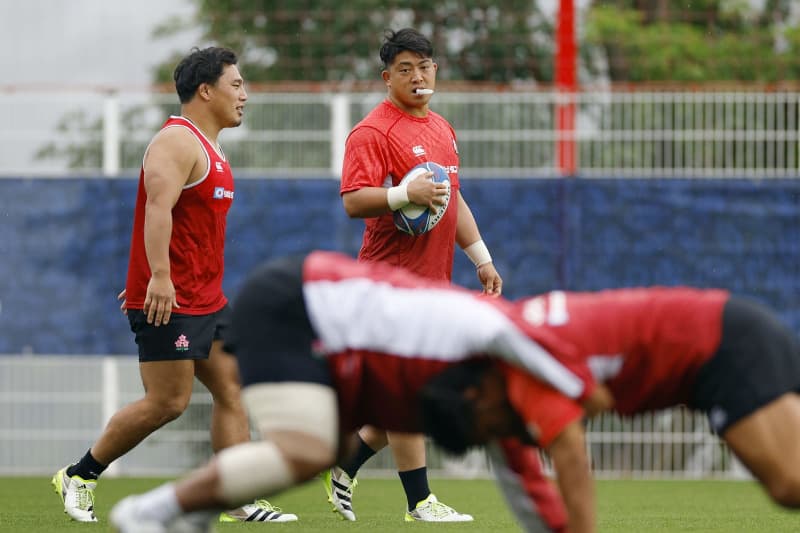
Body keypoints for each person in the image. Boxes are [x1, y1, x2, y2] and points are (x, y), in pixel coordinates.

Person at [108, 250, 600, 533]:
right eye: (490, 426)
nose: (497, 434)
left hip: (313, 318)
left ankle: (188, 515)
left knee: (331, 449)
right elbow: (508, 330)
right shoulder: (468, 339)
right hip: (290, 304)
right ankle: (149, 512)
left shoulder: (446, 384)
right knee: (309, 448)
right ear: (479, 397)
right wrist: (576, 385)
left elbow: (524, 485)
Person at [51, 46, 295, 524]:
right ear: (206, 90)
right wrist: (156, 279)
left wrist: (153, 273)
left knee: (232, 390)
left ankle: (236, 496)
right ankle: (80, 475)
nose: (245, 94)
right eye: (237, 84)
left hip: (207, 298)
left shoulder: (212, 146)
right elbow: (156, 211)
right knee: (168, 402)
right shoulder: (176, 142)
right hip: (171, 300)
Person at [419, 287, 800, 530]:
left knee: (789, 484)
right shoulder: (515, 347)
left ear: (476, 395)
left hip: (721, 350)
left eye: (488, 429)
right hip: (730, 330)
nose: (501, 435)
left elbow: (569, 453)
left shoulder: (521, 377)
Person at [331, 26, 503, 523]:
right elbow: (353, 201)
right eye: (405, 68)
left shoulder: (443, 129)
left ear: (436, 72)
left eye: (424, 66)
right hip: (390, 283)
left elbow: (454, 200)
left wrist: (482, 257)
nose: (417, 76)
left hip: (433, 282)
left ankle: (345, 464)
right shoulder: (372, 132)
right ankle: (419, 501)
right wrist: (402, 195)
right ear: (388, 78)